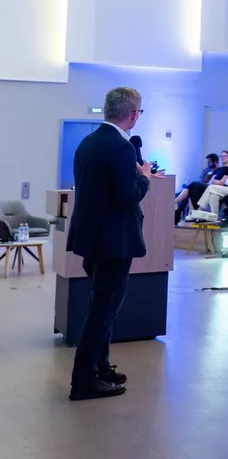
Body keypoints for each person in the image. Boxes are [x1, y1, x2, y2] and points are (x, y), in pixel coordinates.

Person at [67, 87, 155, 401]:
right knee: (103, 310)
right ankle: (83, 381)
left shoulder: (88, 142)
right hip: (113, 241)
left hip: (91, 237)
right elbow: (126, 198)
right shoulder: (122, 148)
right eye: (139, 112)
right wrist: (143, 177)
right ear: (133, 114)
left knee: (100, 305)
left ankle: (101, 368)